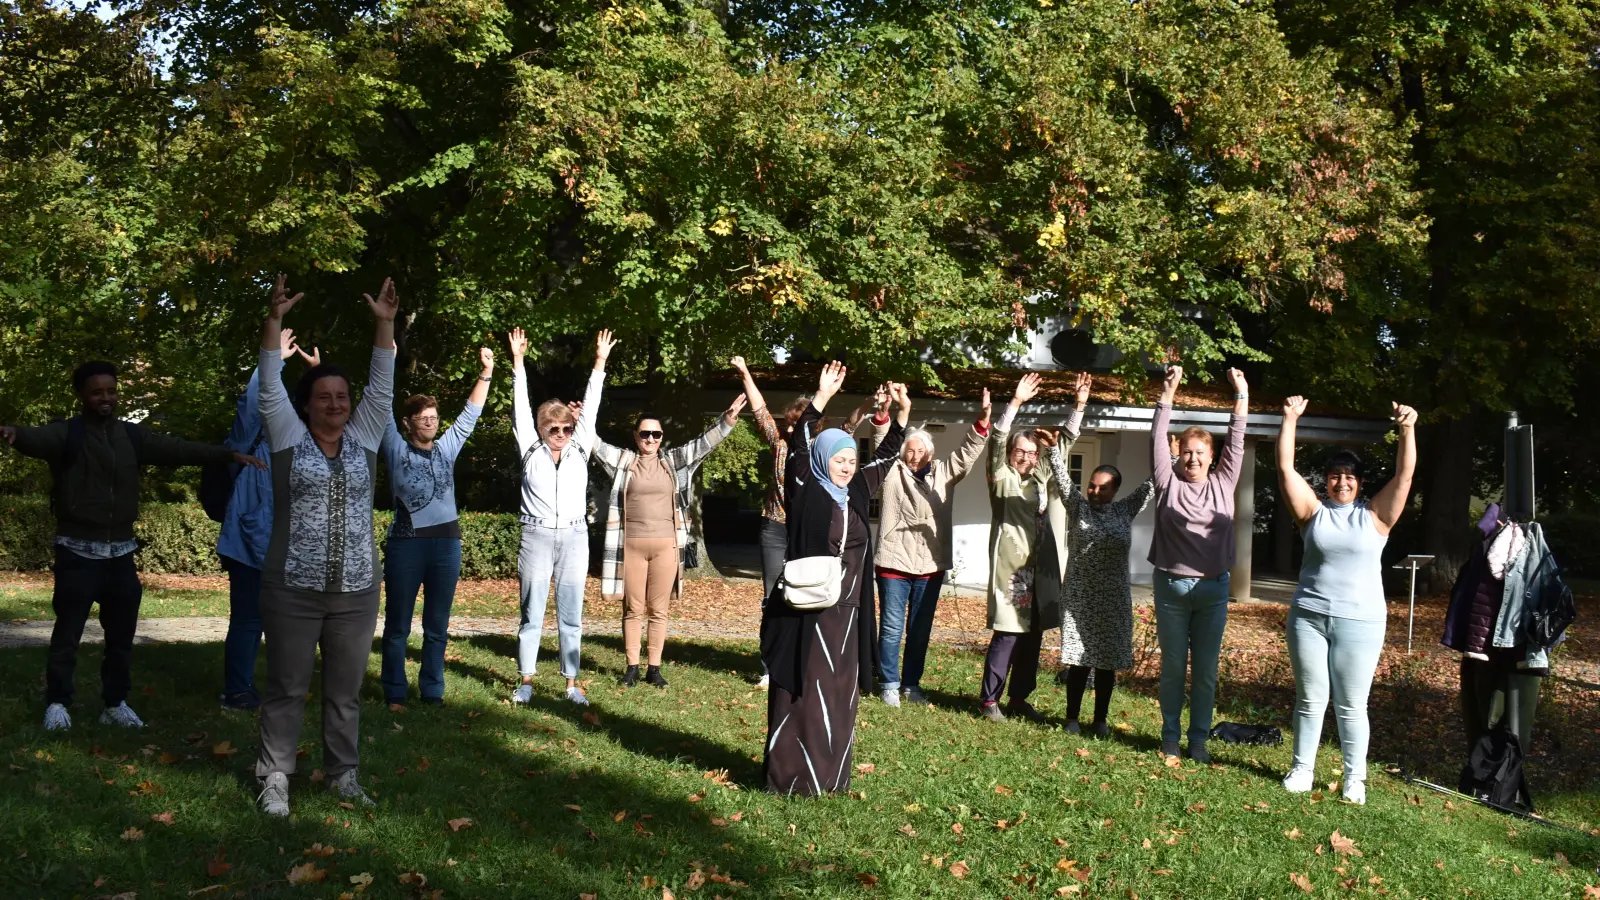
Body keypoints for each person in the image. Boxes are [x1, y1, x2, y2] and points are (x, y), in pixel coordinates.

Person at [2, 367, 262, 732]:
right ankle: (58, 703)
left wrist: (227, 455)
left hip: (121, 556)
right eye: (96, 392)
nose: (105, 398)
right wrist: (15, 434)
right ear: (81, 395)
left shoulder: (130, 436)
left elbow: (177, 449)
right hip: (77, 555)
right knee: (67, 636)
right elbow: (36, 438)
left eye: (111, 391)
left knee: (121, 638)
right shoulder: (68, 433)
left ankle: (114, 702)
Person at [251, 274, 398, 817]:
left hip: (358, 591)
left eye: (341, 397)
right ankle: (275, 778)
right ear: (307, 404)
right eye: (324, 397)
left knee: (344, 692)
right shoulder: (287, 437)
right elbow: (270, 387)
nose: (334, 404)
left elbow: (382, 388)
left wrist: (384, 326)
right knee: (286, 687)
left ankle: (343, 774)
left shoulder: (364, 438)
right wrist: (274, 322)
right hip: (292, 589)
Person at [760, 363, 909, 795]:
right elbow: (801, 441)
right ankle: (790, 776)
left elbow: (886, 457)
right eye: (839, 460)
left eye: (850, 460)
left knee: (839, 693)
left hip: (846, 615)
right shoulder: (806, 485)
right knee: (804, 689)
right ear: (825, 459)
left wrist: (900, 416)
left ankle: (829, 777)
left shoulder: (857, 489)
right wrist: (821, 397)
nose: (846, 466)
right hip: (809, 610)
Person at [1278, 396, 1417, 805]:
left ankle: (1356, 779)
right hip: (1309, 617)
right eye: (1335, 475)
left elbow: (1405, 475)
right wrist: (1289, 420)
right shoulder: (1312, 513)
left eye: (1350, 476)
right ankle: (1302, 769)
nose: (1342, 481)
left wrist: (1407, 429)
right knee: (1310, 698)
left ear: (1360, 482)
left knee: (1352, 704)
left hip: (1361, 622)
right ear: (1326, 481)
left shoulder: (1375, 516)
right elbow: (1285, 468)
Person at [732, 356, 887, 688]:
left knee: (814, 589)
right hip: (776, 527)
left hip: (813, 532)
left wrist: (868, 402)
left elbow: (851, 425)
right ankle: (770, 664)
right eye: (789, 421)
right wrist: (746, 372)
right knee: (776, 592)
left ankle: (813, 654)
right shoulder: (779, 445)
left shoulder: (821, 451)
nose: (792, 427)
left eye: (798, 422)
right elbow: (759, 409)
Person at [595, 396, 746, 688]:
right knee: (632, 608)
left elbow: (705, 443)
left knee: (659, 609)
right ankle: (631, 668)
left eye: (656, 434)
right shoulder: (624, 463)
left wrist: (727, 419)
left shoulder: (673, 462)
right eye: (645, 433)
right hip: (632, 547)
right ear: (635, 436)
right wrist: (579, 420)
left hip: (666, 546)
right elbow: (595, 444)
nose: (650, 438)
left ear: (662, 437)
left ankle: (654, 667)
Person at [377, 346, 495, 709]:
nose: (430, 422)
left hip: (446, 547)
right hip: (406, 546)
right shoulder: (396, 449)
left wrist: (486, 372)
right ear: (408, 423)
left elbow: (469, 416)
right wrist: (388, 360)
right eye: (423, 417)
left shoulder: (446, 449)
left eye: (433, 417)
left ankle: (432, 690)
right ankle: (395, 690)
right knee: (398, 626)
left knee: (437, 627)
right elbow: (379, 406)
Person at [1045, 373, 1157, 737]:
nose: (1094, 491)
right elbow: (1061, 475)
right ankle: (1073, 717)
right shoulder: (1078, 506)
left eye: (1102, 488)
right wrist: (1055, 443)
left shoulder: (1125, 510)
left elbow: (1154, 484)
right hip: (1079, 594)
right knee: (1079, 660)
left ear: (1115, 490)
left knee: (1106, 662)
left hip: (1112, 597)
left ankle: (1101, 720)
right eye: (1092, 485)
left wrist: (1168, 454)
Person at [510, 328, 616, 707]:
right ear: (540, 429)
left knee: (571, 615)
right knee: (532, 612)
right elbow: (521, 405)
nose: (560, 434)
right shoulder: (529, 447)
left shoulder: (579, 447)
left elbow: (594, 399)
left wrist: (600, 362)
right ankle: (526, 680)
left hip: (574, 537)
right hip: (536, 536)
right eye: (553, 428)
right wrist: (519, 362)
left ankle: (571, 683)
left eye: (566, 428)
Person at [1148, 365, 1249, 762]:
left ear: (1211, 457)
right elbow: (1157, 436)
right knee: (1173, 667)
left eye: (1200, 453)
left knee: (1205, 672)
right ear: (1179, 454)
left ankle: (1199, 741)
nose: (1192, 458)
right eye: (1187, 451)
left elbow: (1237, 440)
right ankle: (1170, 736)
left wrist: (1240, 394)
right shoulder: (1166, 482)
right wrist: (1168, 391)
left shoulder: (1224, 483)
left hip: (1213, 590)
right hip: (1171, 589)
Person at [216, 328, 318, 711]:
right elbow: (249, 401)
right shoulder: (251, 438)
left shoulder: (307, 442)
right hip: (249, 547)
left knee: (292, 624)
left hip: (294, 549)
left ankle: (284, 689)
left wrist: (317, 373)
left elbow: (327, 410)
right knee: (247, 619)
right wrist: (272, 359)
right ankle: (238, 690)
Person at [870, 388, 989, 707]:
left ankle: (911, 684)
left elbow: (966, 455)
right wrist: (888, 413)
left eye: (921, 449)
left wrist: (981, 422)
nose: (915, 454)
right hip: (894, 563)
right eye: (910, 449)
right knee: (892, 629)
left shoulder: (942, 473)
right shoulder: (892, 473)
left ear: (931, 453)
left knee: (920, 630)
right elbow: (884, 445)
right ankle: (890, 684)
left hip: (929, 566)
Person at [979, 372, 1070, 723]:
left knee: (1032, 637)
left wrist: (1077, 407)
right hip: (1010, 570)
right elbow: (996, 439)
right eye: (1021, 451)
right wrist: (1015, 402)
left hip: (1040, 570)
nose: (1027, 458)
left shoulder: (1040, 478)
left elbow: (1062, 448)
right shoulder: (1001, 479)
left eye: (1032, 453)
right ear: (1011, 453)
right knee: (1007, 634)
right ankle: (990, 700)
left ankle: (1018, 698)